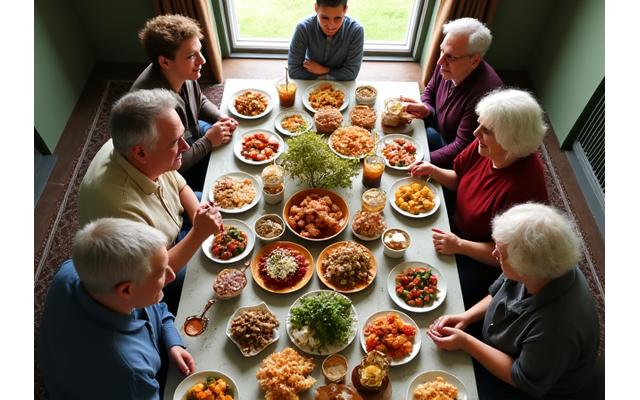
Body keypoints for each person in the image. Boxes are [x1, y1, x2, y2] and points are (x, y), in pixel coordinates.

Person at [427, 203, 600, 399]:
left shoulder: (557, 325)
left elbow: (523, 378)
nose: (494, 254)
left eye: (500, 254)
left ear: (525, 269)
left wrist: (465, 341)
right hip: (502, 341)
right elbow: (499, 290)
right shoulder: (542, 265)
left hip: (531, 387)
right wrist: (465, 317)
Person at [78, 89, 223, 313]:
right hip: (151, 266)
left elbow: (178, 181)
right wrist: (199, 233)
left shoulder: (143, 149)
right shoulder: (120, 209)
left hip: (171, 224)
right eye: (176, 142)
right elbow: (157, 271)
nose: (185, 147)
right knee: (194, 278)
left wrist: (197, 214)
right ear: (141, 153)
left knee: (201, 199)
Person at [409, 88, 548, 308]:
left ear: (510, 140)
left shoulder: (524, 190)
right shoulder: (486, 145)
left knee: (432, 289)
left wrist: (459, 245)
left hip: (483, 258)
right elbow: (459, 179)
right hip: (458, 222)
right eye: (479, 124)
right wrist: (433, 170)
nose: (476, 133)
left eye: (487, 130)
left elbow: (506, 257)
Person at [39, 218, 196, 399]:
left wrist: (172, 342)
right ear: (126, 290)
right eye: (160, 273)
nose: (171, 275)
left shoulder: (74, 270)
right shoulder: (130, 371)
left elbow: (155, 306)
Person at [132, 14, 238, 190]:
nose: (202, 61)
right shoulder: (153, 109)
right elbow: (176, 164)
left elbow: (200, 100)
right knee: (228, 182)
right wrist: (209, 141)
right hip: (174, 167)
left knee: (235, 139)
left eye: (200, 51)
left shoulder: (181, 72)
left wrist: (219, 117)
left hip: (190, 134)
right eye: (191, 56)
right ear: (165, 62)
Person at [402, 17, 502, 168]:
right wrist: (427, 108)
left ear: (474, 60)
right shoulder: (448, 63)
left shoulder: (485, 97)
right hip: (439, 133)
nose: (440, 61)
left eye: (450, 56)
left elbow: (461, 147)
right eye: (442, 51)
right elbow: (430, 90)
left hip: (460, 160)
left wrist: (419, 160)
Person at [288, 0, 364, 80]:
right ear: (316, 8)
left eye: (337, 18)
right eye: (325, 18)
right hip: (310, 86)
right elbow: (294, 71)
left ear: (345, 10)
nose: (331, 26)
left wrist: (323, 70)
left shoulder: (356, 31)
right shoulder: (303, 28)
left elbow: (351, 74)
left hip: (339, 86)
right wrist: (334, 74)